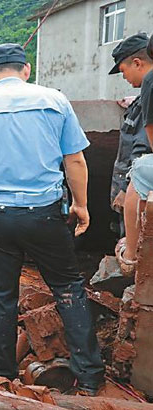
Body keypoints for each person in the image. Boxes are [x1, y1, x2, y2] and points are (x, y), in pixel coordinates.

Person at [0, 43, 104, 395]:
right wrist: (81, 204)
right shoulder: (55, 100)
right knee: (68, 289)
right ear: (26, 69)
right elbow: (74, 160)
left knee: (2, 295)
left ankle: (3, 374)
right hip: (44, 214)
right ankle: (90, 377)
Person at [117, 34, 153, 273]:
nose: (124, 77)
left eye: (123, 70)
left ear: (138, 63)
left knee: (140, 171)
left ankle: (130, 257)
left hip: (136, 178)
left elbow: (145, 144)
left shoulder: (151, 82)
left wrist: (122, 188)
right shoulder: (143, 95)